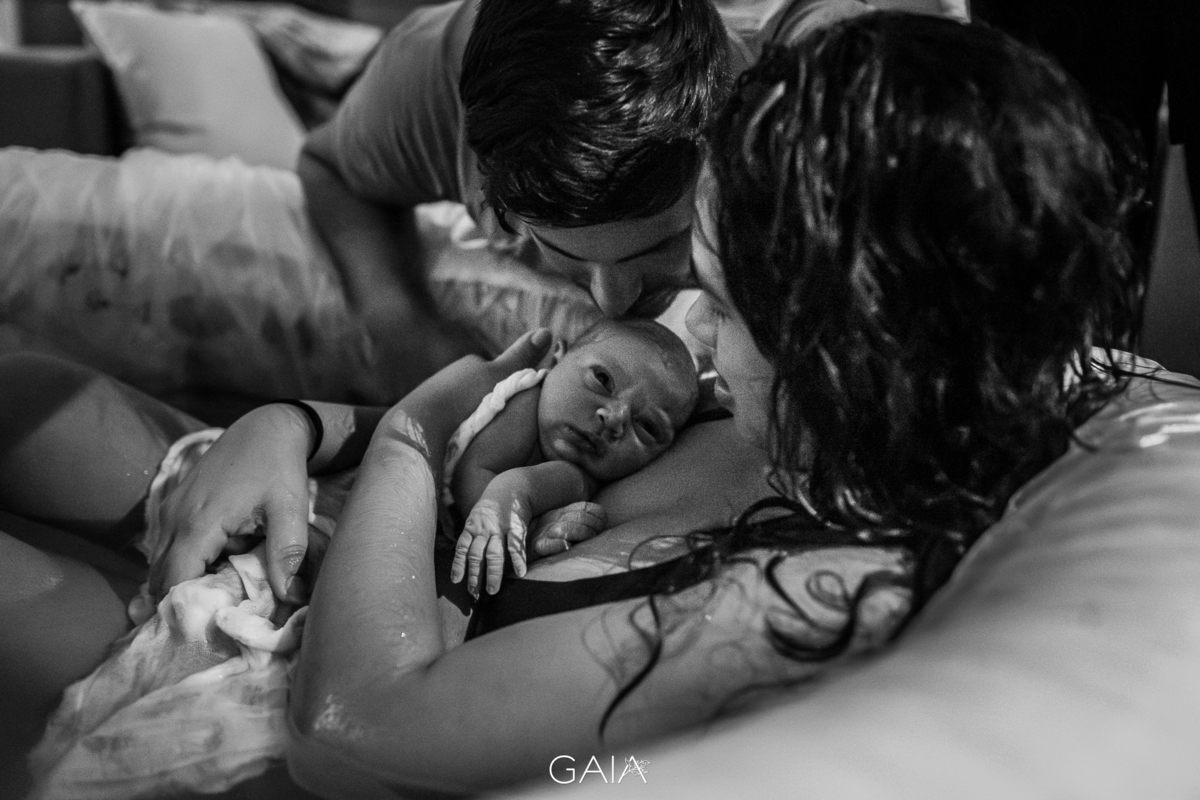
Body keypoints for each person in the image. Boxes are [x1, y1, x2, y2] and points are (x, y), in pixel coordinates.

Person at [0, 10, 1138, 796]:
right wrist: (293, 423)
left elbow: (348, 735)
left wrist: (407, 436)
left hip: (264, 665)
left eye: (719, 299)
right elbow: (525, 415)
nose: (692, 328)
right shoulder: (784, 430)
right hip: (342, 521)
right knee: (36, 394)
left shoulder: (796, 598)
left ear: (836, 342)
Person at [298, 0, 874, 397]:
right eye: (567, 255)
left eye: (663, 246)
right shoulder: (430, 76)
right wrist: (394, 320)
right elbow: (327, 167)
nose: (614, 305)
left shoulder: (823, 97)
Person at [446, 318, 698, 597]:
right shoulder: (527, 403)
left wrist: (535, 532)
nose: (614, 419)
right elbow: (469, 474)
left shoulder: (589, 484)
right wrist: (519, 529)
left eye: (647, 426)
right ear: (557, 358)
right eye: (603, 380)